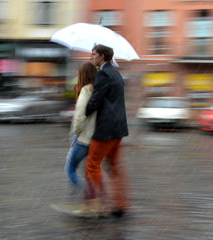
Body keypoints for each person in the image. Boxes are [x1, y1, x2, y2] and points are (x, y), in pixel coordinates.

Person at [80, 44, 129, 217]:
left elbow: (95, 102)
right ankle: (121, 204)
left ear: (101, 56)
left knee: (92, 165)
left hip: (105, 129)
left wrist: (82, 112)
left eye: (93, 54)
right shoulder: (116, 73)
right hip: (118, 128)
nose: (91, 57)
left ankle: (96, 204)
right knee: (115, 167)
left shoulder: (103, 74)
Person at [64, 62, 97, 201]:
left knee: (70, 168)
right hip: (95, 137)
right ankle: (87, 198)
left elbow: (79, 116)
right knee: (87, 170)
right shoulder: (97, 90)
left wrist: (75, 134)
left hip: (83, 137)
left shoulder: (85, 90)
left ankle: (91, 193)